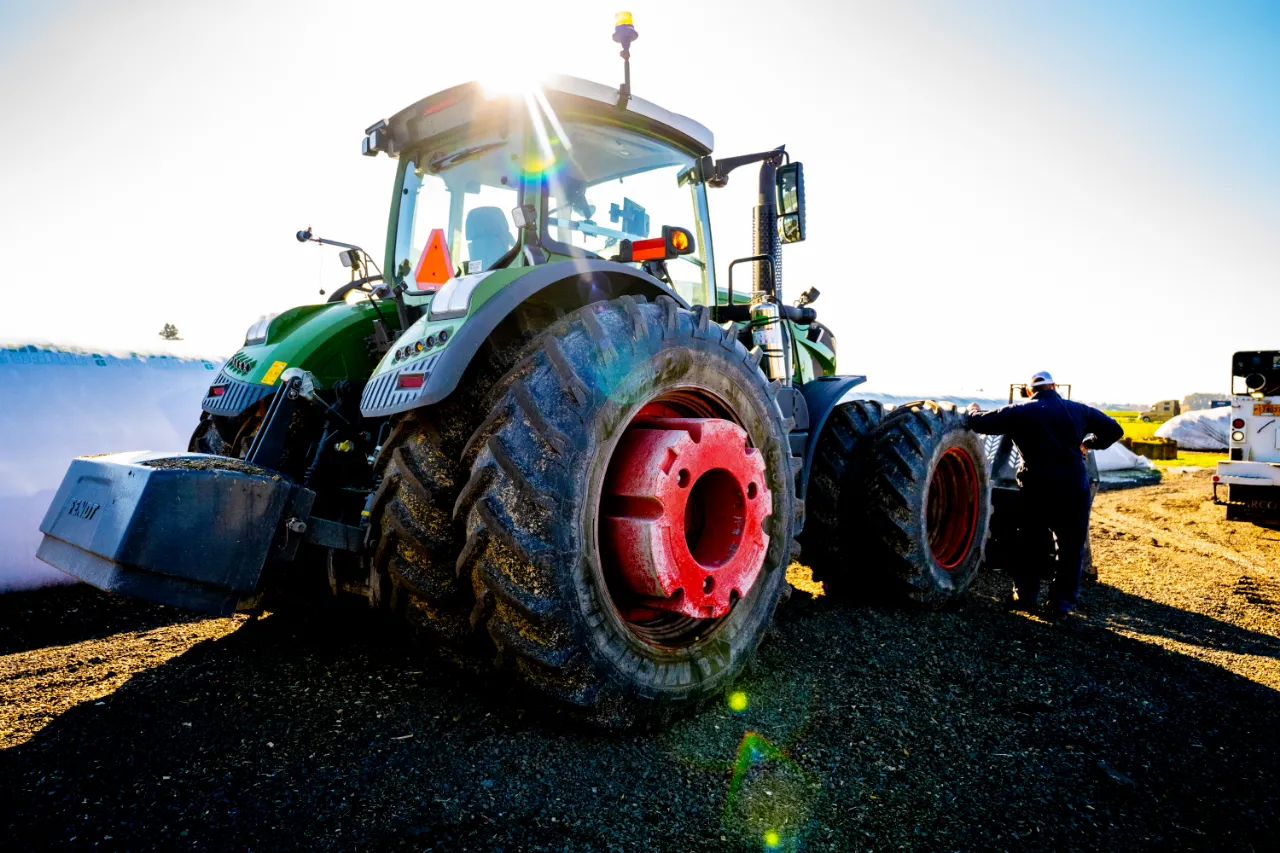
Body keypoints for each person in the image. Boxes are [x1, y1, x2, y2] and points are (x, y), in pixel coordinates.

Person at [966, 371, 1123, 620]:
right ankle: (1060, 604)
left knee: (1030, 543)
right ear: (1054, 386)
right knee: (1070, 547)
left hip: (1037, 487)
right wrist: (1087, 444)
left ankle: (1025, 597)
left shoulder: (1019, 411)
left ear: (1030, 391)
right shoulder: (1078, 410)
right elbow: (1115, 429)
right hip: (1073, 486)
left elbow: (981, 423)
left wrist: (973, 410)